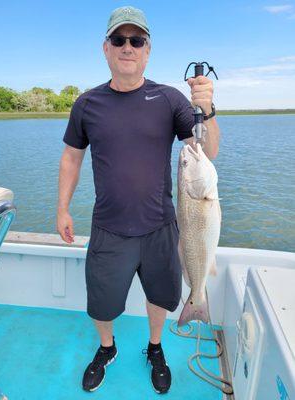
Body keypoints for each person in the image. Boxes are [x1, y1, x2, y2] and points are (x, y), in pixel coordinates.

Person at [56, 5, 220, 395]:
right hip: (108, 226)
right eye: (119, 39)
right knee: (101, 304)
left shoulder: (169, 99)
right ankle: (107, 348)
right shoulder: (87, 104)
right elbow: (71, 157)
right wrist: (62, 208)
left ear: (147, 50)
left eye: (136, 40)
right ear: (106, 48)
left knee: (161, 295)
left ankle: (155, 346)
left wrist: (208, 110)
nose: (127, 46)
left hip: (161, 225)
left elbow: (206, 151)